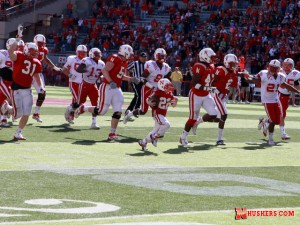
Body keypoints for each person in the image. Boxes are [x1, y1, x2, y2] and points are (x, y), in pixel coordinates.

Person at [74, 44, 140, 140]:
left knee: (118, 111)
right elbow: (105, 70)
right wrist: (110, 81)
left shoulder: (124, 62)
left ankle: (112, 133)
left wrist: (131, 79)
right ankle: (83, 108)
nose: (130, 56)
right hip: (108, 86)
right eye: (129, 54)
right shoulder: (115, 58)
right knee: (101, 111)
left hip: (116, 88)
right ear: (125, 53)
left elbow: (120, 76)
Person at [244, 59, 300, 145]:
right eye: (271, 67)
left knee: (278, 120)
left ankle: (264, 121)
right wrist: (247, 77)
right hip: (267, 100)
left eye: (275, 68)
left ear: (278, 69)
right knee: (273, 120)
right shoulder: (264, 74)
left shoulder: (281, 76)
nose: (273, 69)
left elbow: (287, 86)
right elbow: (255, 79)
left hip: (276, 99)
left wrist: (297, 91)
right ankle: (272, 138)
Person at [3, 41, 43, 140]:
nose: (34, 53)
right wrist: (16, 41)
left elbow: (37, 76)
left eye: (35, 51)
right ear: (26, 50)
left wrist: (41, 86)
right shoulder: (19, 56)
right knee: (18, 114)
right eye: (32, 51)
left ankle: (18, 133)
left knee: (27, 113)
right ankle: (6, 107)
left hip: (27, 89)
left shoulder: (37, 63)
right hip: (16, 88)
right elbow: (11, 52)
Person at [179, 48, 219, 147]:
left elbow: (210, 81)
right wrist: (208, 88)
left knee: (215, 114)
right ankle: (183, 137)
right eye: (211, 57)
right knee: (192, 117)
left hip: (206, 95)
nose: (213, 59)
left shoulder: (211, 66)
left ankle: (198, 122)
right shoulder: (199, 66)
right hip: (196, 94)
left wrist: (212, 88)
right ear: (205, 56)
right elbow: (193, 83)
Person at [123, 48, 172, 124]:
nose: (162, 58)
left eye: (163, 56)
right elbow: (142, 78)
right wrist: (152, 87)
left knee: (158, 109)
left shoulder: (166, 67)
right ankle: (129, 114)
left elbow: (168, 78)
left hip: (158, 90)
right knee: (143, 111)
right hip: (147, 88)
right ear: (156, 56)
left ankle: (158, 127)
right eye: (160, 56)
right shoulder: (151, 64)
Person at [138, 78, 178, 151]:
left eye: (169, 86)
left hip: (162, 114)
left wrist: (176, 101)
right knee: (167, 125)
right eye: (167, 86)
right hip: (157, 113)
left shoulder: (169, 93)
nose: (169, 87)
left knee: (155, 130)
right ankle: (156, 137)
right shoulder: (157, 92)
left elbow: (173, 105)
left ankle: (143, 142)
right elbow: (148, 99)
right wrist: (149, 102)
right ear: (162, 86)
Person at [32, 34, 62, 123]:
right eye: (39, 43)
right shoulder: (28, 47)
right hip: (27, 74)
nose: (41, 45)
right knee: (20, 92)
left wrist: (54, 67)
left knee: (42, 93)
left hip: (38, 73)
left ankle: (36, 113)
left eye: (42, 43)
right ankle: (10, 111)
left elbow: (45, 58)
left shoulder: (44, 50)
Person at [72, 47, 105, 129]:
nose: (98, 56)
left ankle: (94, 123)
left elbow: (101, 73)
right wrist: (87, 71)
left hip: (93, 85)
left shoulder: (102, 63)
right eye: (96, 55)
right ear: (92, 55)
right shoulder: (87, 60)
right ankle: (70, 112)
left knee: (96, 105)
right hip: (84, 84)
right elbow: (79, 69)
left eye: (99, 54)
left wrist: (101, 76)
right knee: (78, 103)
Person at [211, 54, 239, 145]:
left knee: (216, 118)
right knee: (224, 114)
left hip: (223, 96)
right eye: (232, 64)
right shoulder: (221, 69)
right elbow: (213, 81)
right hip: (217, 94)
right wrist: (212, 90)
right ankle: (219, 139)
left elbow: (234, 79)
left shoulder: (232, 72)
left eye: (234, 64)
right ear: (226, 63)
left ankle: (198, 121)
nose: (233, 66)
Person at [62, 44, 87, 124]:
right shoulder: (72, 59)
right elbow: (64, 68)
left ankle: (71, 115)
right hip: (74, 82)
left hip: (82, 84)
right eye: (81, 52)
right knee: (78, 101)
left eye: (84, 52)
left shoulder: (87, 60)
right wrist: (69, 75)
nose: (82, 54)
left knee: (76, 100)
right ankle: (70, 110)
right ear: (77, 52)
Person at [277, 58, 300, 140]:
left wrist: (294, 88)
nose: (286, 67)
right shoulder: (279, 71)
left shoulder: (296, 73)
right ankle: (283, 133)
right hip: (278, 94)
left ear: (292, 65)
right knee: (282, 114)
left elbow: (297, 87)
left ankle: (265, 122)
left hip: (287, 96)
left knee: (278, 116)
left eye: (289, 65)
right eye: (285, 64)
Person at [124, 52, 147, 118]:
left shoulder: (147, 64)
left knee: (138, 96)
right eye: (142, 57)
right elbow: (127, 69)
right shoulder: (134, 63)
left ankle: (129, 111)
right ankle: (135, 110)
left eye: (145, 57)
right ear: (139, 57)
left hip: (143, 82)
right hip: (135, 81)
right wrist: (128, 78)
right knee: (139, 95)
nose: (143, 58)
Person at [0, 38, 15, 127]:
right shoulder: (2, 53)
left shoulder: (17, 55)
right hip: (4, 80)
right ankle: (9, 113)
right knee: (9, 100)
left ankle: (3, 119)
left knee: (3, 100)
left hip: (12, 81)